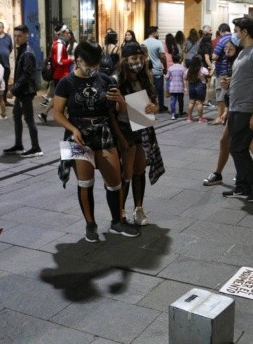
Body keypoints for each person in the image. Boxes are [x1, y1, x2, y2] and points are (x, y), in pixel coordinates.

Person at [53, 41, 139, 241]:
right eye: (88, 64)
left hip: (103, 131)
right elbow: (57, 113)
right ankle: (90, 225)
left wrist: (120, 101)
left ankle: (117, 222)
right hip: (77, 135)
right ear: (78, 60)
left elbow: (120, 112)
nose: (92, 69)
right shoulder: (66, 82)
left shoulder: (106, 80)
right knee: (85, 182)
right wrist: (73, 129)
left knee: (115, 181)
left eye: (96, 64)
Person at [203, 39, 253, 186]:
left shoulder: (248, 56)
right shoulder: (235, 61)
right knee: (237, 143)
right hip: (237, 107)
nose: (227, 50)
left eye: (230, 48)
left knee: (239, 145)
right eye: (225, 48)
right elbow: (239, 87)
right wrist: (229, 85)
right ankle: (247, 176)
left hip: (244, 109)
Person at [219, 17, 253, 202]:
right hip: (236, 106)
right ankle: (242, 187)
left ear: (245, 32)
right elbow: (244, 78)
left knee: (237, 148)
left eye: (236, 30)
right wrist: (230, 82)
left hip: (247, 108)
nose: (234, 33)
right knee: (236, 146)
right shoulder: (244, 52)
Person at [115, 42, 164, 225]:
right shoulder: (117, 81)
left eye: (141, 58)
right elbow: (113, 111)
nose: (139, 62)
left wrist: (155, 107)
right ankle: (120, 209)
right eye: (134, 58)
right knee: (126, 172)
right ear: (125, 60)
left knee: (140, 169)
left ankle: (139, 208)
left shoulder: (145, 79)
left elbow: (154, 103)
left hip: (143, 128)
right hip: (125, 129)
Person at [4, 25, 41, 157]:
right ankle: (18, 145)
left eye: (19, 36)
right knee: (17, 117)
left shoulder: (27, 52)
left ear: (26, 35)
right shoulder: (22, 50)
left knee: (29, 119)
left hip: (25, 91)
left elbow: (26, 75)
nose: (17, 38)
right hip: (22, 91)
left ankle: (36, 148)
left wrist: (13, 90)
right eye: (15, 36)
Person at [39, 24, 72, 111]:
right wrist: (71, 60)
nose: (68, 34)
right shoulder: (59, 45)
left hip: (61, 74)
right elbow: (59, 61)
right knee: (62, 97)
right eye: (67, 33)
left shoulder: (59, 44)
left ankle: (46, 114)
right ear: (61, 34)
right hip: (61, 75)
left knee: (59, 96)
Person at [142, 26, 167, 113]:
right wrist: (165, 67)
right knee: (159, 90)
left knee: (148, 89)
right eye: (157, 32)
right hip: (157, 69)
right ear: (154, 33)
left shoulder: (143, 43)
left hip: (146, 70)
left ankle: (149, 105)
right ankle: (160, 106)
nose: (157, 34)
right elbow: (162, 57)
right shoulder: (158, 43)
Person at [211, 23, 232, 124]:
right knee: (228, 94)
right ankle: (224, 115)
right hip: (232, 70)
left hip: (222, 71)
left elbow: (215, 56)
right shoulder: (235, 39)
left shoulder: (222, 40)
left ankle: (220, 116)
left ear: (220, 31)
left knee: (221, 94)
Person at [185, 55, 209, 122]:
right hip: (200, 86)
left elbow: (186, 78)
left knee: (191, 102)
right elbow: (208, 75)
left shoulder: (188, 70)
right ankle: (200, 118)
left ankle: (189, 117)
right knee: (199, 103)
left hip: (191, 86)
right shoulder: (202, 69)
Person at [165, 53, 185, 120]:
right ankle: (181, 112)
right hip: (180, 87)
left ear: (173, 60)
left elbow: (167, 77)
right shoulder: (182, 68)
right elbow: (185, 77)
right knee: (180, 100)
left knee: (173, 101)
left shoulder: (170, 68)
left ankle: (173, 114)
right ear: (179, 60)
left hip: (172, 88)